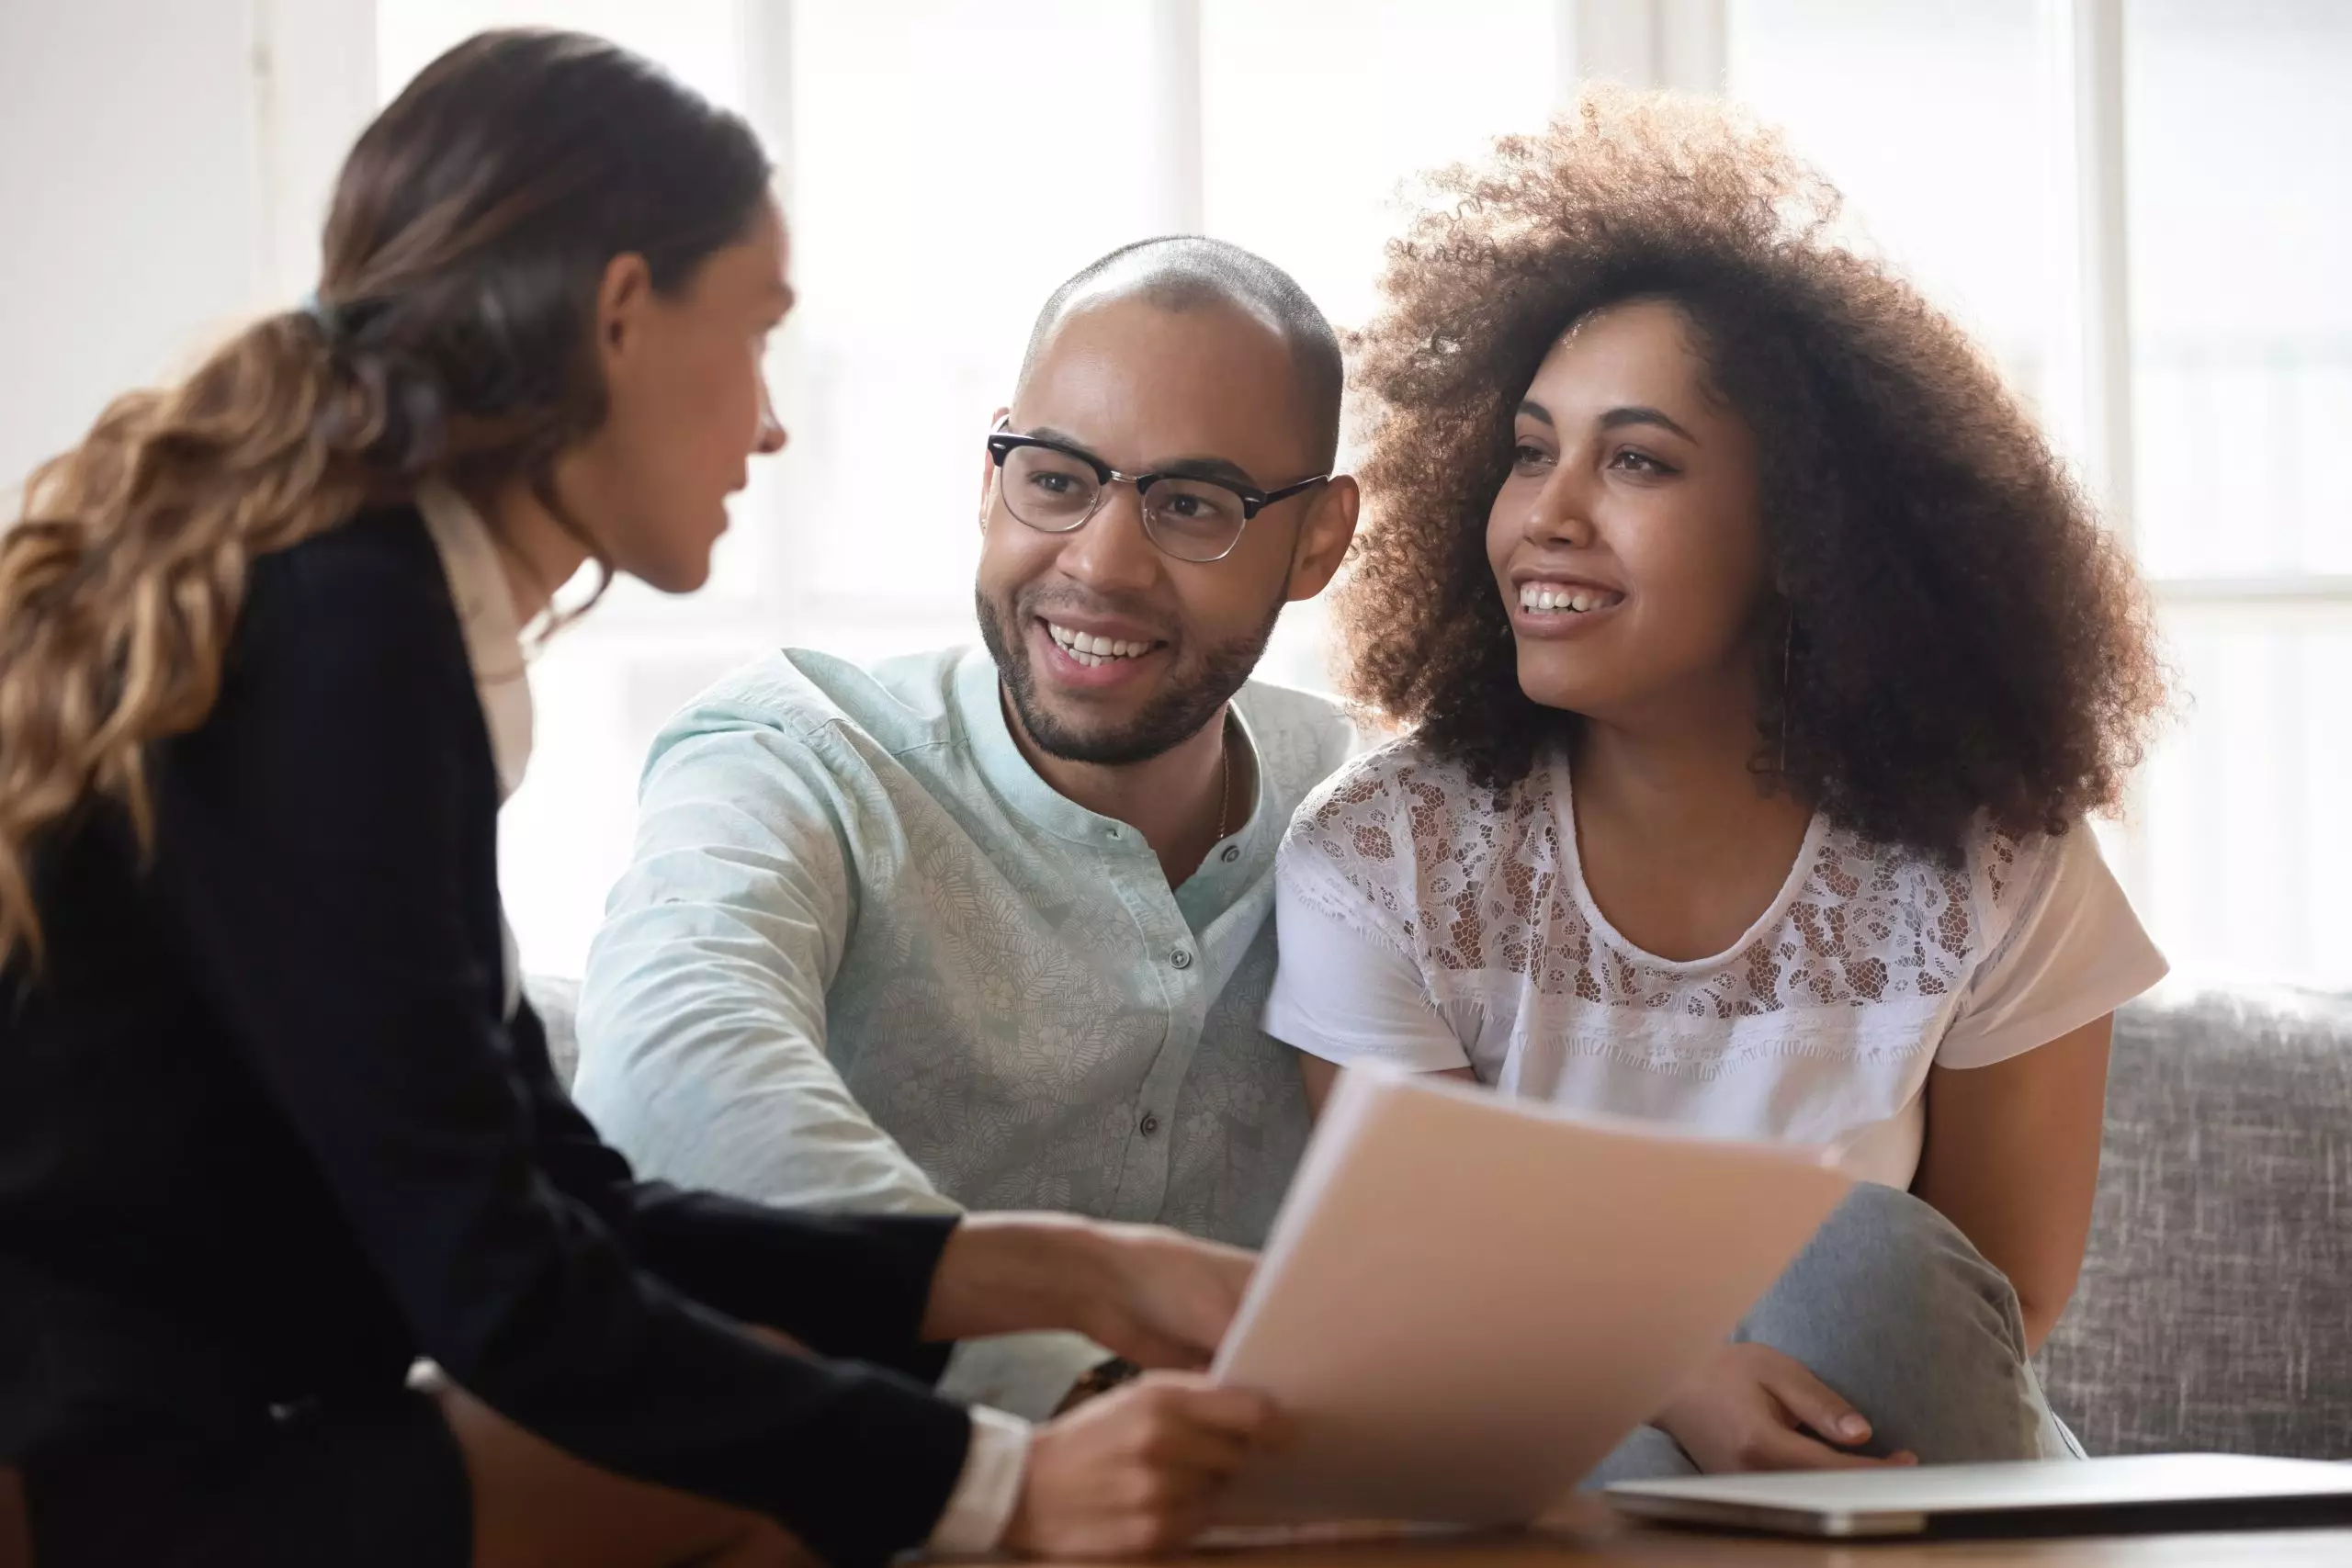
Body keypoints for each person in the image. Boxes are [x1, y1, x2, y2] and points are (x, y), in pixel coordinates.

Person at [0, 31, 1288, 1568]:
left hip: (171, 1422)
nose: (768, 420)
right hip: (100, 1469)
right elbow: (500, 1284)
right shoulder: (348, 633)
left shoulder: (360, 604)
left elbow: (574, 1203)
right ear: (621, 316)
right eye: (756, 334)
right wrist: (1010, 1481)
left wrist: (1056, 1268)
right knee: (800, 1471)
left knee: (797, 1418)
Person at [1264, 90, 2171, 1479]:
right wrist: (1683, 1379)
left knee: (1858, 1250)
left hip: (1889, 1435)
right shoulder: (1382, 859)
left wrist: (1781, 1380)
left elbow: (1988, 1304)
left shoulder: (1996, 859)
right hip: (1553, 1436)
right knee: (1603, 1431)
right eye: (1527, 449)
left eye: (1636, 459)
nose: (1547, 512)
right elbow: (1441, 1278)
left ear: (1807, 531)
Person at [573, 237, 1360, 1419]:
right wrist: (1067, 1391)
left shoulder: (1369, 826)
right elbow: (674, 1077)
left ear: (1316, 542)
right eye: (1055, 479)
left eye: (1192, 506)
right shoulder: (796, 756)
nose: (1100, 562)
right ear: (991, 480)